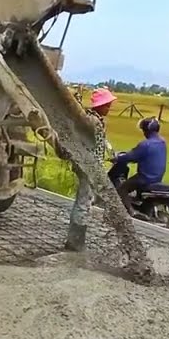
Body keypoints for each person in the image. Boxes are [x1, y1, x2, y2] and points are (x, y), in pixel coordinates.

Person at [62, 87, 117, 251]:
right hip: (88, 166)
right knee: (83, 202)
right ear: (100, 105)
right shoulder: (92, 121)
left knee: (85, 200)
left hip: (90, 165)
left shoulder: (95, 119)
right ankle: (75, 242)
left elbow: (100, 143)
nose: (109, 108)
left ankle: (75, 240)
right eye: (107, 105)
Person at [109, 116, 168, 214]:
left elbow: (132, 156)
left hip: (145, 178)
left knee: (122, 189)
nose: (143, 133)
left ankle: (131, 211)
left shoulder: (146, 144)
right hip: (157, 177)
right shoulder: (162, 142)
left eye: (143, 130)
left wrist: (117, 158)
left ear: (146, 130)